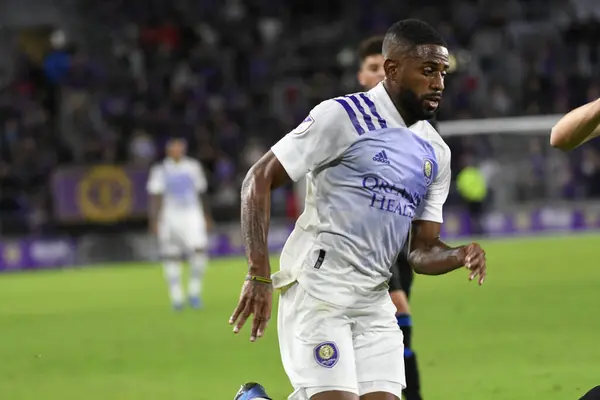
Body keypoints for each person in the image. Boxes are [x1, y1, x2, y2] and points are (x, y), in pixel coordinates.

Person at [230, 19, 487, 400]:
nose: (439, 83)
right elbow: (258, 179)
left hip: (374, 298)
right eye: (428, 70)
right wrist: (258, 273)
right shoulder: (342, 117)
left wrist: (457, 254)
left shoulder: (436, 152)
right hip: (319, 287)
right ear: (393, 69)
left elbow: (421, 250)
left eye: (443, 72)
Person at [357, 35, 422, 400]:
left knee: (365, 361)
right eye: (372, 69)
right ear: (360, 75)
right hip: (362, 246)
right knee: (395, 317)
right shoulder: (345, 121)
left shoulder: (417, 125)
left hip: (400, 240)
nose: (380, 75)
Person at [146, 138, 213, 310]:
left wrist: (206, 215)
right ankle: (176, 297)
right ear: (169, 150)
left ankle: (194, 292)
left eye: (180, 148)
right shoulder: (160, 170)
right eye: (174, 148)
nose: (177, 151)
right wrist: (154, 220)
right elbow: (155, 196)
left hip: (192, 214)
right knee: (172, 255)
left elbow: (201, 192)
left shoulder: (193, 167)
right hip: (170, 216)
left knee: (199, 250)